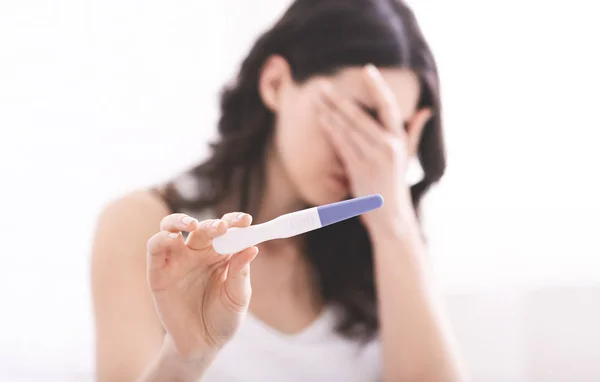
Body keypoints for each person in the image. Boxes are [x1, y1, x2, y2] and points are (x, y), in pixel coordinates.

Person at [91, 0, 467, 380]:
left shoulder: (384, 241)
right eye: (363, 118)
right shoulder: (146, 226)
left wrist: (395, 224)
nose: (377, 158)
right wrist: (188, 357)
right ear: (275, 84)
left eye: (395, 133)